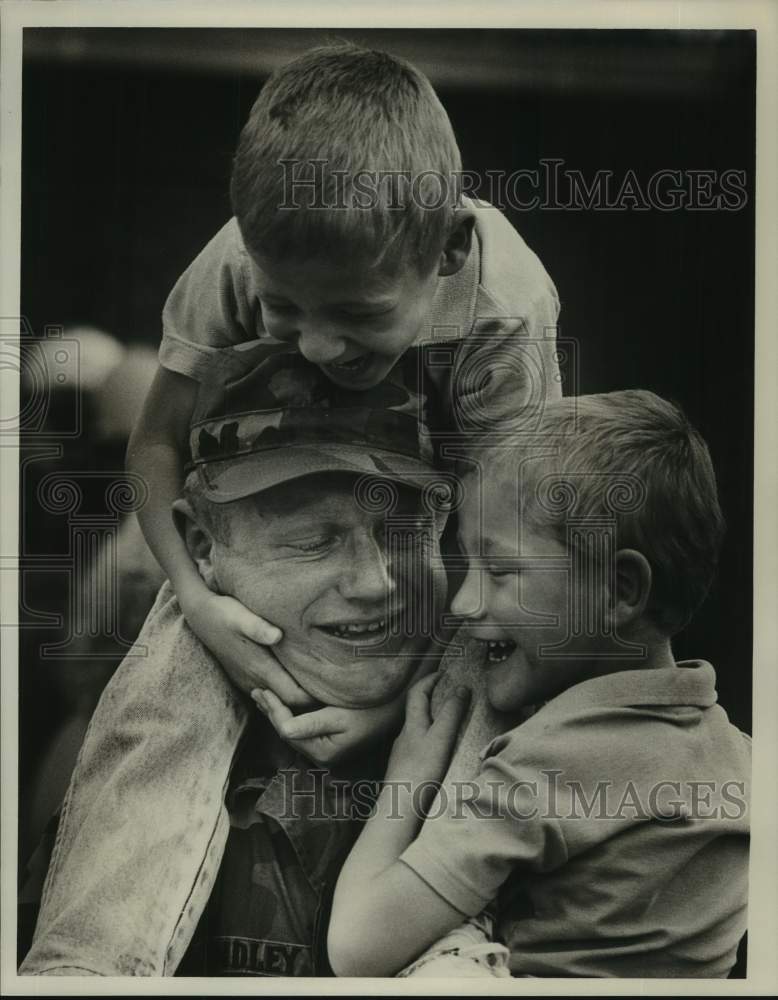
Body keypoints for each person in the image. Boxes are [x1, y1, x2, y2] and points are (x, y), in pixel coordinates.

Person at [19, 345, 512, 978]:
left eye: (405, 528)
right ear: (201, 545)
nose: (374, 582)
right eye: (312, 543)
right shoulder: (135, 766)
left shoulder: (545, 741)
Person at [126, 40, 562, 709]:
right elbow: (156, 442)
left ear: (449, 248)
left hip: (423, 518)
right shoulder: (238, 260)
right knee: (139, 655)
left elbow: (507, 528)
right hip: (250, 506)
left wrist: (405, 697)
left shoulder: (504, 312)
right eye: (283, 309)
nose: (320, 345)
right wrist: (194, 600)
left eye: (358, 312)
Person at [328, 390, 751, 979]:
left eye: (501, 571)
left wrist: (408, 778)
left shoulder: (551, 764)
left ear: (621, 589)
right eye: (466, 565)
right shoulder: (741, 760)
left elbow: (356, 945)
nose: (463, 601)